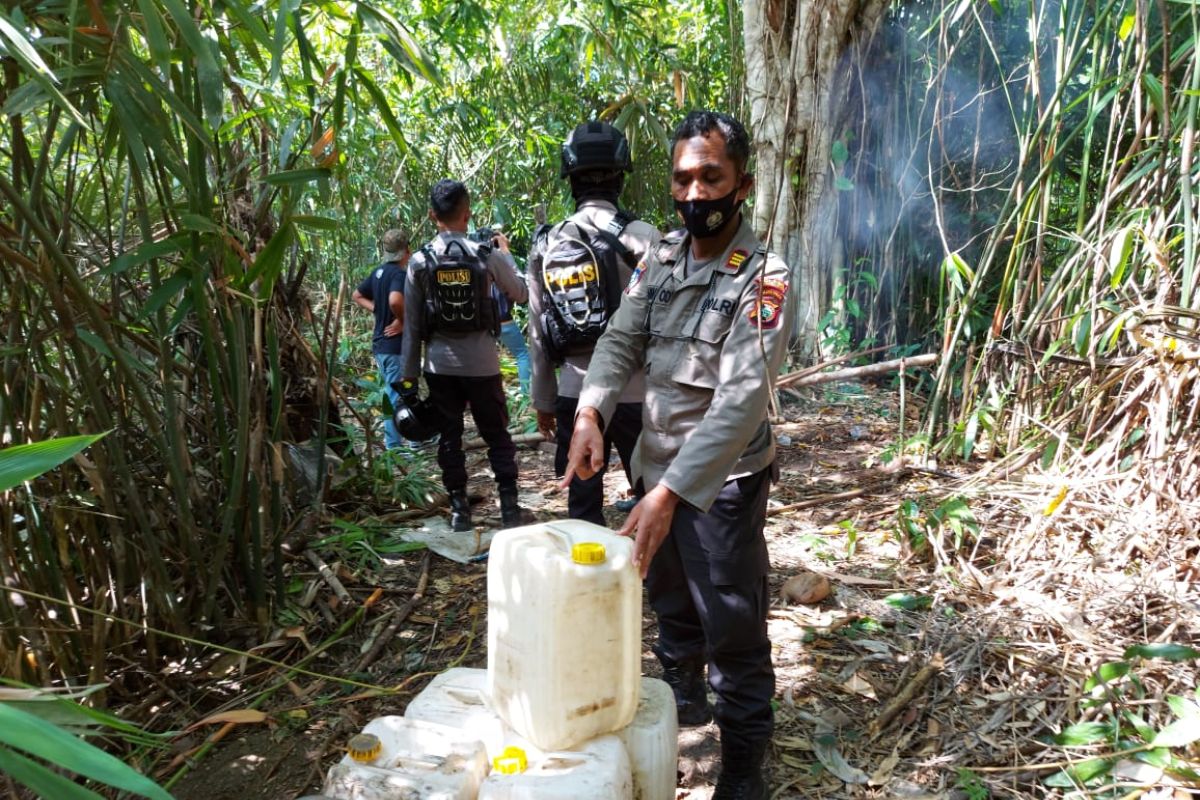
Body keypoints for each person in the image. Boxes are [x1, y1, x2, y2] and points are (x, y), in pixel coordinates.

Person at [563, 111, 793, 800]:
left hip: (722, 484)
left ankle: (746, 768)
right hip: (652, 469)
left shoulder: (764, 275)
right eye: (683, 178)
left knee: (734, 628)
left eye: (711, 178)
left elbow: (743, 398)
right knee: (667, 597)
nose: (695, 193)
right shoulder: (658, 259)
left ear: (742, 184)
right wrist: (589, 409)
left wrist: (669, 495)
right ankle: (683, 699)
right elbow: (619, 341)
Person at [527, 121, 661, 525]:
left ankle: (587, 581)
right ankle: (654, 577)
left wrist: (544, 400)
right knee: (651, 492)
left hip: (575, 392)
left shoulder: (547, 243)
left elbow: (538, 330)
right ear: (620, 177)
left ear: (571, 180)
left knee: (582, 495)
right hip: (638, 393)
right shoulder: (644, 236)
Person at [401, 180, 530, 531]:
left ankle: (459, 509)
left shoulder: (418, 261)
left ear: (432, 215)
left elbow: (412, 327)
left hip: (440, 366)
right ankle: (509, 507)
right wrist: (510, 259)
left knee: (449, 437)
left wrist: (408, 379)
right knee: (497, 435)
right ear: (467, 213)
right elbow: (520, 294)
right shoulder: (485, 255)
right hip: (483, 364)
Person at [351, 228, 410, 450]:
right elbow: (395, 300)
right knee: (396, 395)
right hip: (394, 347)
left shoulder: (379, 272)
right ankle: (395, 446)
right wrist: (402, 319)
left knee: (398, 392)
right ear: (406, 251)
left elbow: (357, 295)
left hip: (381, 345)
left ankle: (411, 439)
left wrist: (378, 308)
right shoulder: (398, 275)